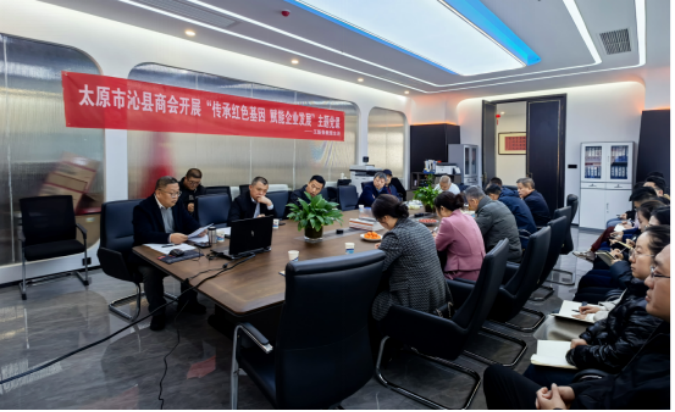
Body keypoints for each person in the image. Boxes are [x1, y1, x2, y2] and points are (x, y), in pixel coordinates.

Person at [483, 244, 672, 411]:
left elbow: (618, 361)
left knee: (503, 375)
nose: (649, 281)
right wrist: (576, 390)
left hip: (595, 382)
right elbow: (624, 381)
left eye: (658, 272)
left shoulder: (652, 319)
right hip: (595, 392)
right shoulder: (663, 331)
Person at [525, 227, 670, 387]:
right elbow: (615, 320)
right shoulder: (640, 287)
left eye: (639, 252)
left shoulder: (652, 308)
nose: (631, 258)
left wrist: (580, 352)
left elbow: (618, 358)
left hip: (605, 372)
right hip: (603, 350)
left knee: (536, 367)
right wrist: (587, 337)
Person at [131, 176, 206, 332]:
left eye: (178, 193)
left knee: (194, 260)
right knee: (151, 272)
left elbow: (188, 221)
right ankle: (158, 313)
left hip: (174, 249)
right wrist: (169, 237)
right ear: (159, 193)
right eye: (172, 193)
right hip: (149, 254)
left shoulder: (177, 204)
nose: (176, 197)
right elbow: (142, 235)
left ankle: (187, 302)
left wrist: (198, 229)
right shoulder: (143, 208)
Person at [370, 195, 453, 322]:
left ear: (385, 218)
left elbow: (377, 269)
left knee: (373, 301)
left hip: (415, 302)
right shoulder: (422, 228)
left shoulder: (395, 235)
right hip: (438, 297)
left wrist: (381, 251)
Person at [574, 187, 659, 262]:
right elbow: (637, 225)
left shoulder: (654, 216)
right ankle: (592, 252)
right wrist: (629, 224)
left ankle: (592, 252)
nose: (637, 210)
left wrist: (624, 235)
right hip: (632, 233)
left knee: (610, 232)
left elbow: (639, 231)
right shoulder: (643, 213)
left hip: (633, 237)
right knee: (610, 233)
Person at [433, 192, 486, 281]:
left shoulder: (448, 222)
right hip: (481, 271)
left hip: (463, 276)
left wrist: (432, 237)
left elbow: (436, 246)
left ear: (442, 208)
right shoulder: (468, 217)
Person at [465, 186, 522, 263]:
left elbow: (473, 235)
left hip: (505, 256)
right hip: (512, 251)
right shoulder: (497, 203)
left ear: (473, 201)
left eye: (469, 203)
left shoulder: (487, 210)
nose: (469, 206)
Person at [486, 184, 537, 250]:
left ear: (492, 195)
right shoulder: (510, 196)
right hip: (529, 232)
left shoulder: (503, 201)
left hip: (524, 236)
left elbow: (496, 219)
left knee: (491, 237)